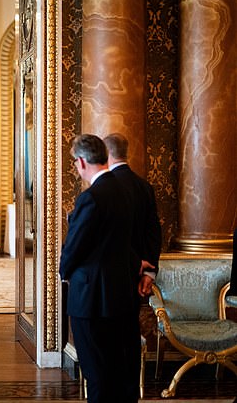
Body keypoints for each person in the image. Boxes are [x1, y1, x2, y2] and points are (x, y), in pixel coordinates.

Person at [59, 134, 140, 403]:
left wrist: (64, 272)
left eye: (74, 162)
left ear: (82, 162)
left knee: (97, 375)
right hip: (122, 294)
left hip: (91, 299)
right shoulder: (125, 190)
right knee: (120, 370)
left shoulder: (91, 197)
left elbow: (74, 248)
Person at [103, 132, 162, 401]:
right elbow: (153, 233)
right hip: (138, 276)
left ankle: (111, 391)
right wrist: (149, 272)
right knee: (130, 332)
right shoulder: (143, 186)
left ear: (106, 153)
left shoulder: (105, 187)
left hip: (108, 276)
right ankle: (130, 392)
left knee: (109, 335)